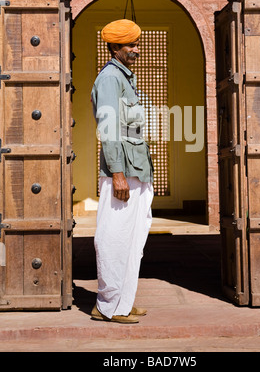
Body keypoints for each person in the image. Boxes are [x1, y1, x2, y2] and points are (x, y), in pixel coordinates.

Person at [90, 19, 154, 324]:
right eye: (130, 45)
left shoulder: (125, 77)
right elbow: (109, 128)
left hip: (137, 167)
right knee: (114, 236)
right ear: (114, 47)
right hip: (123, 169)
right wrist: (116, 173)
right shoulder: (110, 79)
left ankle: (122, 301)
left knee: (133, 237)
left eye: (136, 44)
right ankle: (108, 305)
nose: (136, 50)